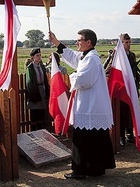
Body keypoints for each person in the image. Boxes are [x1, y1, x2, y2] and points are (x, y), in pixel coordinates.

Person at [49, 29, 116, 179]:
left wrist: (71, 76)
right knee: (95, 139)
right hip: (91, 105)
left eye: (79, 40)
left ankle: (80, 171)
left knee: (83, 139)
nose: (77, 42)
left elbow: (83, 80)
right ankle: (95, 169)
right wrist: (56, 43)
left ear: (88, 42)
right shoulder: (87, 56)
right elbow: (73, 56)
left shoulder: (92, 59)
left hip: (89, 106)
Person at [105, 33, 140, 146]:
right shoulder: (116, 57)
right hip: (121, 90)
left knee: (131, 112)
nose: (128, 44)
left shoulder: (132, 55)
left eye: (129, 42)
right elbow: (109, 70)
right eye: (126, 42)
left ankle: (130, 134)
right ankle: (121, 136)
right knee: (121, 113)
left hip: (132, 87)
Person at [25, 48, 50, 131]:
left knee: (42, 113)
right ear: (32, 57)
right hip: (35, 92)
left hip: (41, 90)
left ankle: (41, 130)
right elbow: (29, 83)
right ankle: (34, 132)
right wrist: (34, 95)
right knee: (35, 114)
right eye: (37, 56)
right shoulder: (30, 68)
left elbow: (45, 80)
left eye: (40, 55)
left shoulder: (42, 67)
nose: (39, 57)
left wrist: (46, 91)